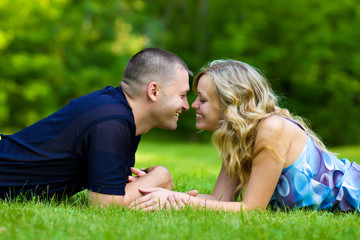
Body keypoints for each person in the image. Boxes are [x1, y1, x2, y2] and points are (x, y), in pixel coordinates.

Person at [129, 59, 360, 212]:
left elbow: (250, 209)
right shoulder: (239, 139)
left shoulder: (271, 129)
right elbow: (221, 200)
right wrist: (163, 194)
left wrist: (181, 200)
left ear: (230, 103)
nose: (193, 105)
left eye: (203, 99)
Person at [0, 48, 192, 207]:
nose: (186, 105)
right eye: (182, 95)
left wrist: (155, 188)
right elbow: (105, 203)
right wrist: (160, 176)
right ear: (154, 91)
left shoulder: (119, 113)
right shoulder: (112, 121)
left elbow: (116, 185)